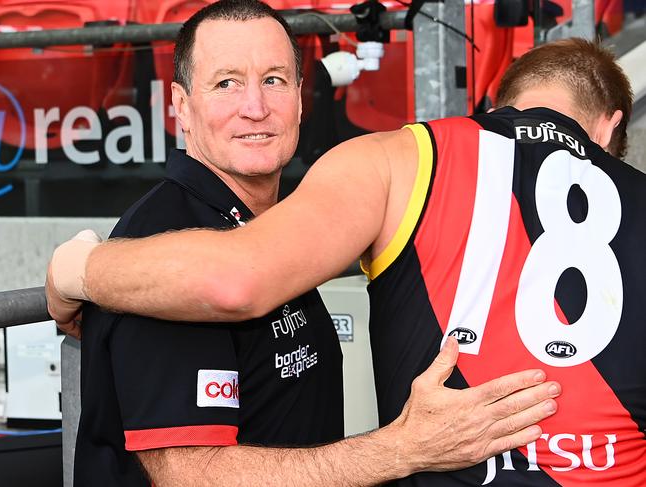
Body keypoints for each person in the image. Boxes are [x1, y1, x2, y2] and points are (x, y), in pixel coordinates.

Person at [50, 1, 560, 486]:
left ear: (299, 98)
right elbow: (194, 475)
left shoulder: (280, 227)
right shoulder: (163, 251)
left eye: (272, 81)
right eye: (226, 84)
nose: (255, 107)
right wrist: (404, 450)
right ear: (181, 106)